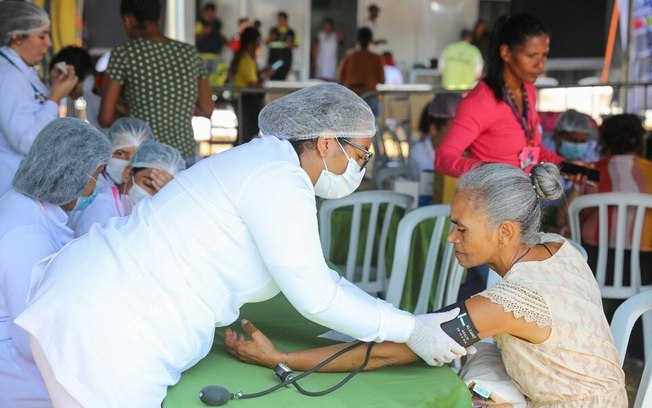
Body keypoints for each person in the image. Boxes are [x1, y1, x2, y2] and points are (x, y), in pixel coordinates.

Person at [16, 83, 467, 407]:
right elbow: (317, 296)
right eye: (361, 155)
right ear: (327, 141)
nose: (362, 167)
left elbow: (316, 276)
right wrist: (410, 328)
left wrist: (403, 322)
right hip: (113, 332)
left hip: (91, 299)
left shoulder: (263, 163)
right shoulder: (279, 177)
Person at [225, 162, 628, 407]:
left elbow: (397, 350)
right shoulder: (557, 247)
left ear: (505, 231)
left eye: (460, 228)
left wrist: (282, 358)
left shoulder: (511, 300)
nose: (451, 238)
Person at [0, 118, 111, 407]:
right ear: (71, 175)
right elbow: (29, 337)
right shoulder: (26, 235)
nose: (98, 186)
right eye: (97, 175)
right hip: (15, 372)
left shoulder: (26, 204)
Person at [435, 14, 563, 178]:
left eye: (544, 55)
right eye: (531, 56)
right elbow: (443, 158)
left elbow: (532, 149)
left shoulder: (528, 90)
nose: (540, 64)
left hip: (524, 198)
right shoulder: (481, 102)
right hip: (491, 201)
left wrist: (564, 165)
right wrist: (490, 171)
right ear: (506, 53)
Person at [99, 0, 214, 165]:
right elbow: (207, 109)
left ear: (128, 19)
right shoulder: (190, 53)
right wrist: (172, 104)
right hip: (182, 156)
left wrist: (132, 107)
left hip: (144, 157)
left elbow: (105, 118)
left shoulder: (124, 53)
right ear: (159, 18)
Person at [0, 1, 79, 196]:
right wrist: (54, 97)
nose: (49, 44)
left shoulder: (20, 71)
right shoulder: (9, 76)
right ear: (18, 37)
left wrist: (52, 88)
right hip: (8, 182)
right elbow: (26, 139)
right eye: (42, 36)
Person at [67, 117, 154, 237]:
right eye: (121, 154)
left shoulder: (128, 193)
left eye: (137, 156)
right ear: (107, 151)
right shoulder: (96, 192)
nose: (129, 164)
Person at [407, 92, 461, 181]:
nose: (460, 134)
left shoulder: (466, 154)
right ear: (434, 128)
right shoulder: (418, 156)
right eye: (454, 128)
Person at [229, 27, 268, 145]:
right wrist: (265, 76)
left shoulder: (242, 57)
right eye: (258, 42)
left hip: (243, 99)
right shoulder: (246, 59)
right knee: (246, 133)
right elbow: (253, 84)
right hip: (247, 100)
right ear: (252, 43)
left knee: (245, 132)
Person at [337, 27, 385, 117]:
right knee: (373, 126)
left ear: (357, 40)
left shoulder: (349, 56)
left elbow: (340, 78)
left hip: (351, 98)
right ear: (370, 40)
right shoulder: (376, 58)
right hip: (370, 98)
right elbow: (382, 80)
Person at [265, 11, 298, 80]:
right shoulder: (273, 31)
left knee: (282, 79)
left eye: (281, 19)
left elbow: (296, 45)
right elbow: (266, 43)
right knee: (273, 79)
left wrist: (289, 45)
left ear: (285, 20)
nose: (279, 21)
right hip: (273, 60)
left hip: (286, 60)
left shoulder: (291, 32)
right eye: (278, 19)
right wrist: (271, 38)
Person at [195, 2, 225, 73]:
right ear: (205, 13)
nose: (210, 15)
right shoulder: (200, 22)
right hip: (203, 56)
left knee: (216, 80)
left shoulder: (218, 23)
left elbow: (222, 36)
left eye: (212, 12)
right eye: (209, 12)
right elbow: (195, 37)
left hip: (216, 56)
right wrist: (204, 32)